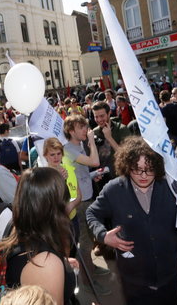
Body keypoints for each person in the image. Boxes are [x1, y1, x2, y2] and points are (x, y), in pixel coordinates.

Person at [86, 136, 177, 305]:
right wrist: (102, 235)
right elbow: (92, 213)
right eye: (137, 169)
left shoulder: (171, 188)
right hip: (134, 283)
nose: (143, 175)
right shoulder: (114, 190)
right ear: (127, 166)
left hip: (169, 279)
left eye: (149, 169)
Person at [0, 167, 78, 305]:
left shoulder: (15, 226)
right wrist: (53, 265)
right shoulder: (45, 263)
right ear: (54, 206)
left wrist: (61, 265)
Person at [62, 115, 110, 296]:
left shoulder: (77, 146)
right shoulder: (69, 149)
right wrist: (91, 141)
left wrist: (91, 176)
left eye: (85, 126)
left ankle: (91, 270)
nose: (86, 129)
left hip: (87, 198)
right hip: (80, 203)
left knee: (89, 241)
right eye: (81, 127)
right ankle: (89, 282)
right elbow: (95, 161)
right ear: (71, 131)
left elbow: (81, 172)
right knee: (85, 243)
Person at [43, 138, 81, 245]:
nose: (56, 157)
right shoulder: (43, 176)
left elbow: (78, 195)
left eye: (59, 153)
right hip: (56, 223)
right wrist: (60, 181)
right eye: (52, 154)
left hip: (73, 218)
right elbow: (48, 203)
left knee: (75, 243)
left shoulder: (69, 169)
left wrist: (71, 205)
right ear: (45, 156)